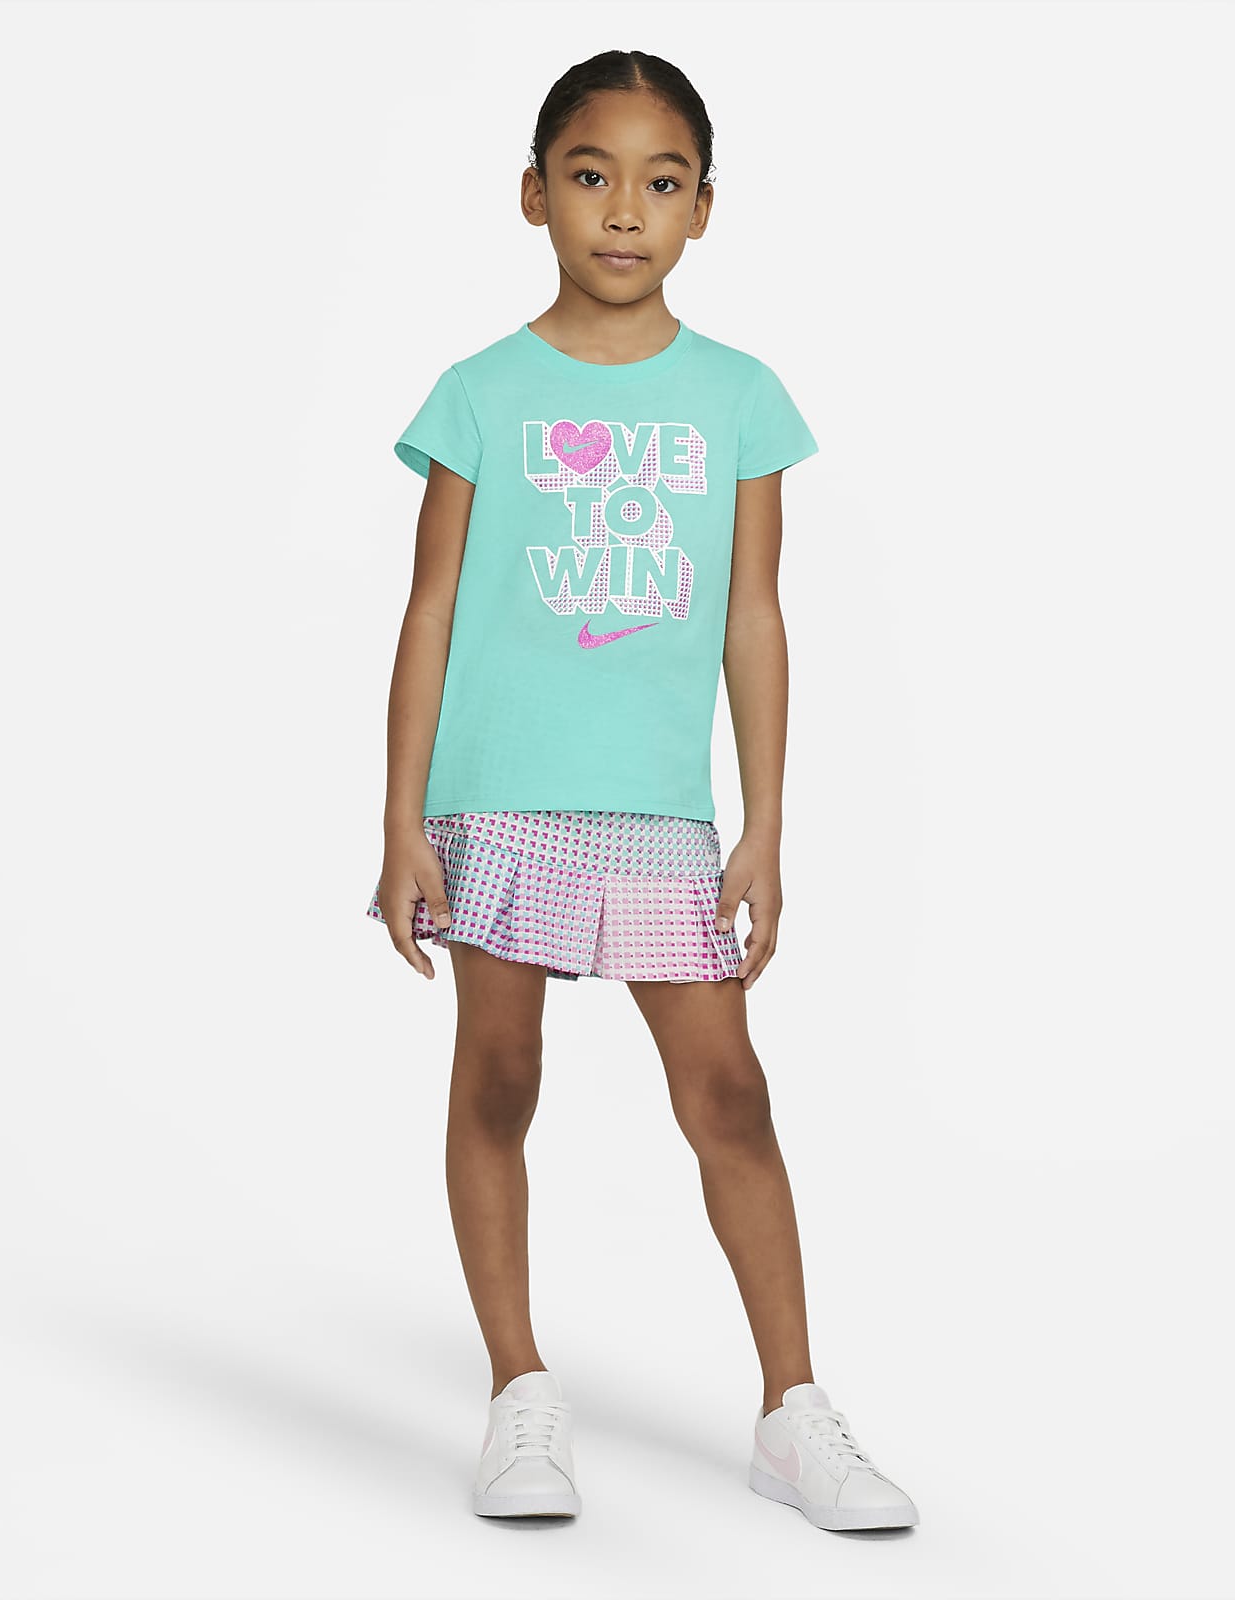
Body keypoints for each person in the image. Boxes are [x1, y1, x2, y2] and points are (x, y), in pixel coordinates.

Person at [367, 49, 918, 1534]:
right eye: (592, 176)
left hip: (660, 815)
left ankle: (793, 1411)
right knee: (499, 1075)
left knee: (727, 1089)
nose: (625, 211)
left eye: (661, 182)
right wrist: (401, 818)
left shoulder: (739, 398)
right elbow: (430, 609)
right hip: (497, 798)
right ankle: (518, 1390)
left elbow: (754, 615)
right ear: (534, 194)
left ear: (703, 209)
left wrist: (765, 826)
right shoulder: (481, 394)